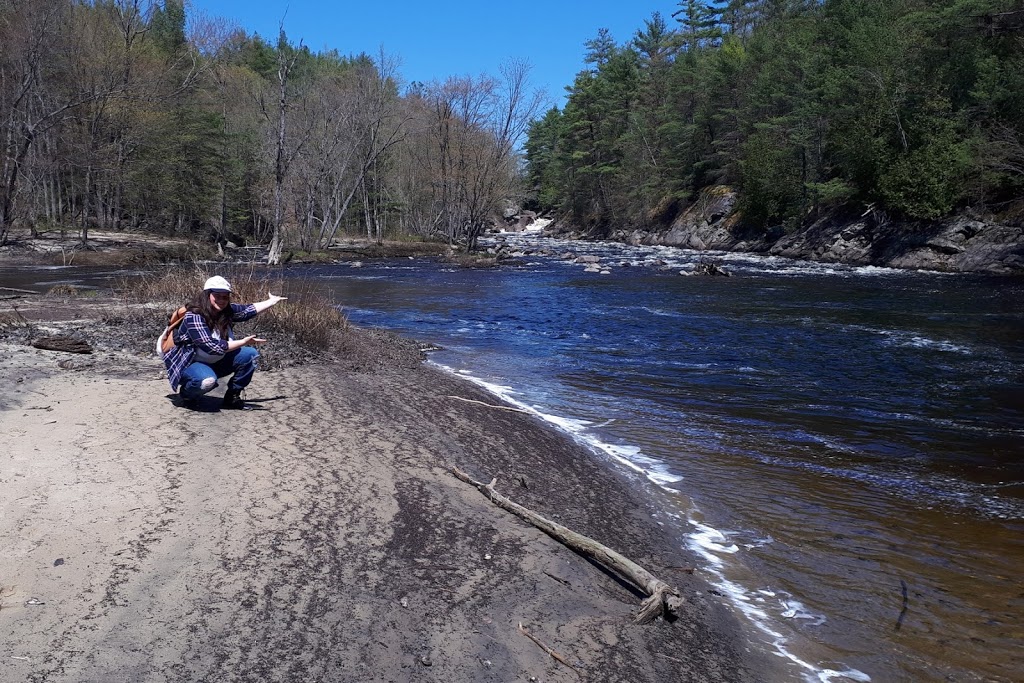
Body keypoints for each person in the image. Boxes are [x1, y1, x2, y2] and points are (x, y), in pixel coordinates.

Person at [161, 275, 286, 409]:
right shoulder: (194, 316)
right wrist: (242, 342)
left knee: (250, 355)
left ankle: (232, 396)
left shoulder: (225, 311)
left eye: (225, 296)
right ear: (207, 295)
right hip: (190, 363)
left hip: (215, 360)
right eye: (217, 296)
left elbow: (247, 310)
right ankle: (187, 394)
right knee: (206, 381)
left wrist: (271, 301)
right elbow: (212, 347)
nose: (221, 300)